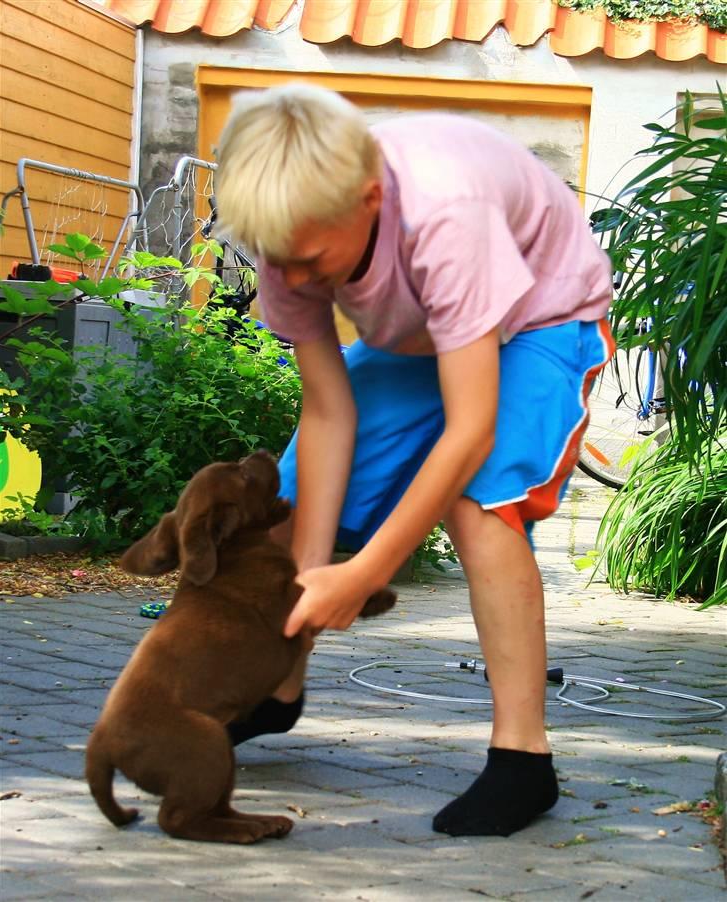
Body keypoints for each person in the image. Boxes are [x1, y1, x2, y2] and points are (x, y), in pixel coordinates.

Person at [215, 83, 614, 837]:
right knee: (285, 500)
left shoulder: (443, 211)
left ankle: (523, 759)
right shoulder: (286, 229)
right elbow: (330, 412)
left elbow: (468, 430)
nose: (294, 281)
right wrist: (309, 582)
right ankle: (279, 688)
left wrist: (364, 575)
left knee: (481, 496)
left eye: (308, 261)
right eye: (277, 262)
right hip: (429, 338)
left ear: (370, 198)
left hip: (543, 318)